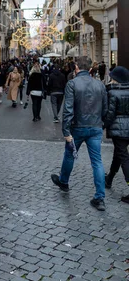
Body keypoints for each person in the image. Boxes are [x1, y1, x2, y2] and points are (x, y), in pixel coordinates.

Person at [51, 56, 108, 211]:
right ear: (90, 69)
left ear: (76, 67)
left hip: (78, 127)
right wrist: (101, 124)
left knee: (69, 155)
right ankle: (100, 197)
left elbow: (68, 110)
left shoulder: (72, 84)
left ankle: (64, 182)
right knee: (97, 162)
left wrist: (66, 131)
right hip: (95, 127)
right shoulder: (99, 85)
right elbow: (105, 109)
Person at [104, 66, 129, 203]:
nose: (111, 79)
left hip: (119, 130)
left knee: (124, 158)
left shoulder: (113, 93)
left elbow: (110, 114)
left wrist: (104, 125)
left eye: (113, 77)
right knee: (118, 155)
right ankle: (109, 179)